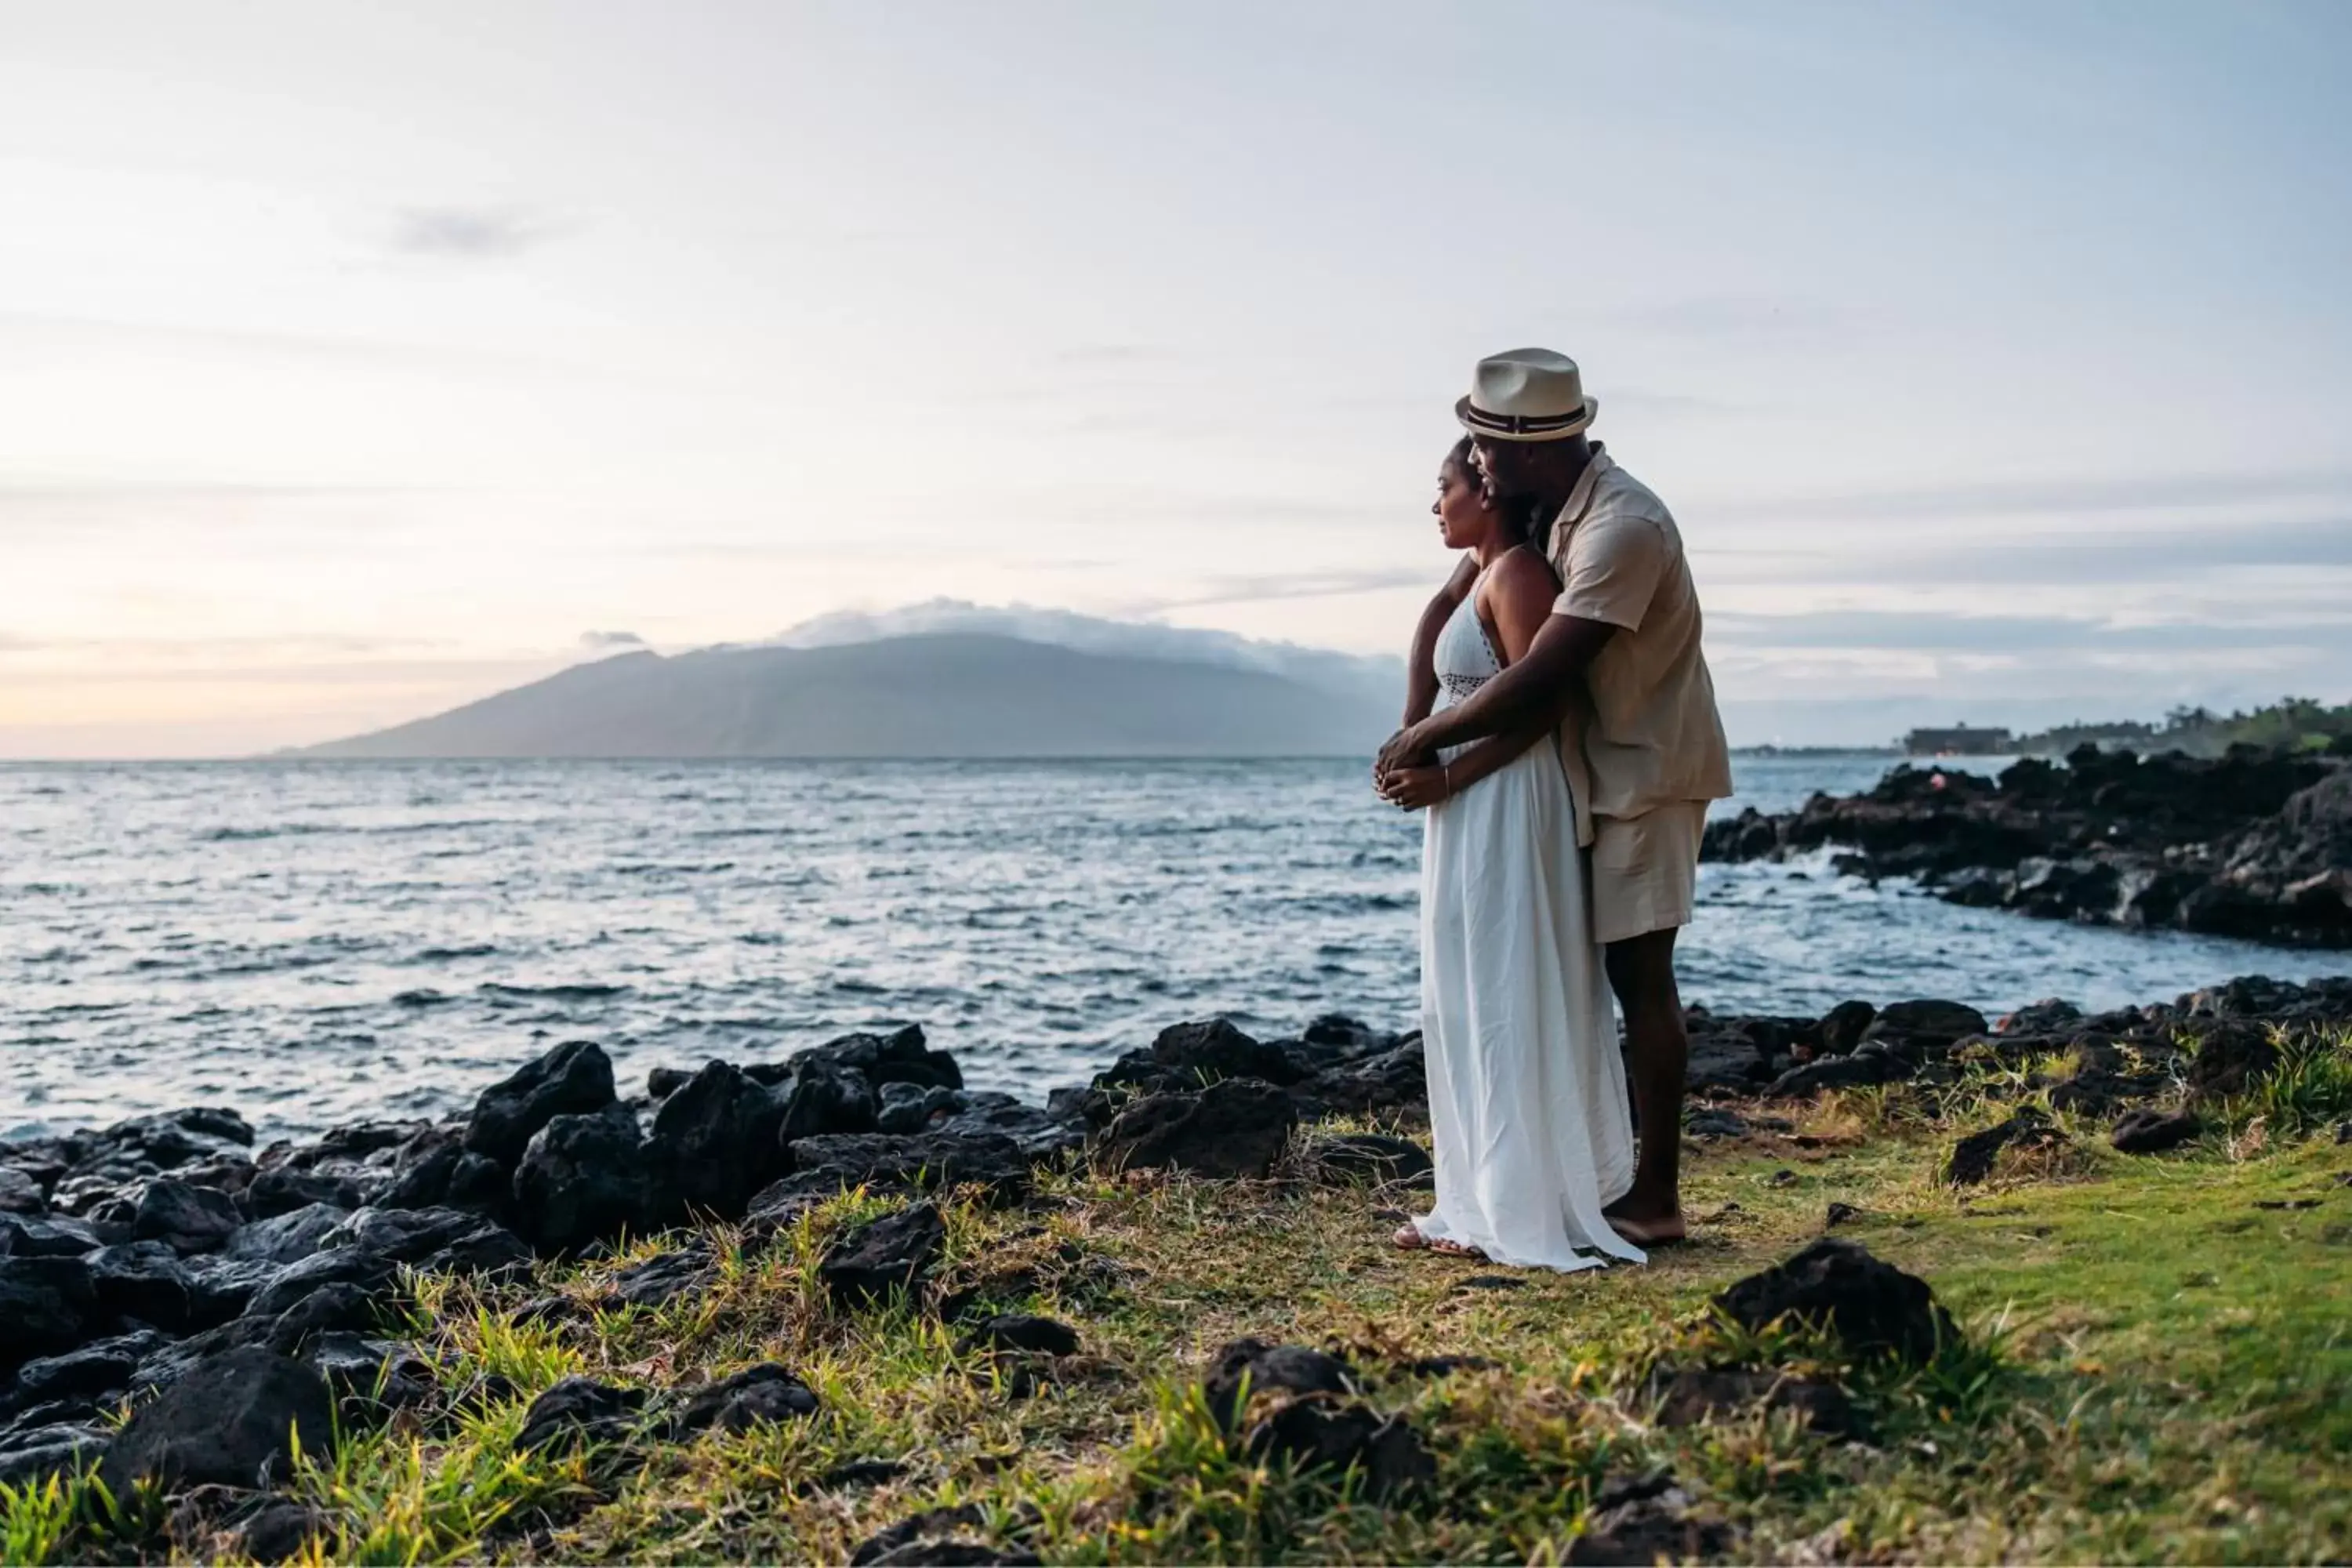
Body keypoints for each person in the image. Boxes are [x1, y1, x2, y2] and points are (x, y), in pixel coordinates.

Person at [1377, 348, 1733, 1247]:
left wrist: (1429, 741)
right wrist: (1418, 715)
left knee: (1637, 978)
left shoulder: (1623, 528)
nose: (1477, 461)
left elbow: (1546, 672)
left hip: (1644, 771)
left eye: (1487, 450)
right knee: (1560, 974)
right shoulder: (1550, 512)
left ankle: (1654, 1195)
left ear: (1528, 454)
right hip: (1584, 770)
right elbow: (1449, 605)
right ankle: (1547, 1173)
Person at [1380, 436, 1644, 1272]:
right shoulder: (1484, 574)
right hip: (1466, 802)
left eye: (1445, 486)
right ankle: (1473, 1193)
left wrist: (1450, 774)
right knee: (1459, 991)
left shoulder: (1523, 573)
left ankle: (1523, 1201)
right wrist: (1415, 737)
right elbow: (1432, 640)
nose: (1435, 504)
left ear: (1484, 493)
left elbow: (1543, 705)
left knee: (1502, 985)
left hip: (1503, 797)